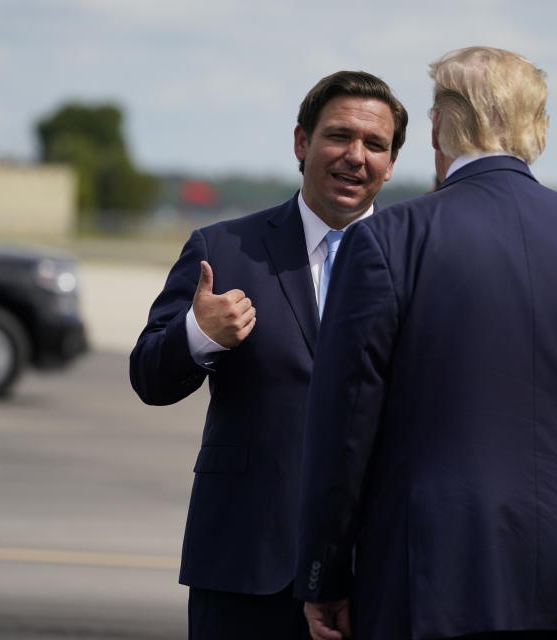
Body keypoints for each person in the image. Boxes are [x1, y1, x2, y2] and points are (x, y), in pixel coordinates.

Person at [293, 46, 557, 640]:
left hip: (438, 581)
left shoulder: (388, 240)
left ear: (440, 125)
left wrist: (325, 575)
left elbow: (344, 431)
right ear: (537, 127)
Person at [129, 71, 408, 639]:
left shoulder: (419, 260)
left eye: (375, 145)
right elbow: (149, 377)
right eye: (338, 136)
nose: (356, 156)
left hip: (377, 573)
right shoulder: (224, 248)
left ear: (392, 162)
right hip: (246, 567)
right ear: (302, 143)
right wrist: (198, 334)